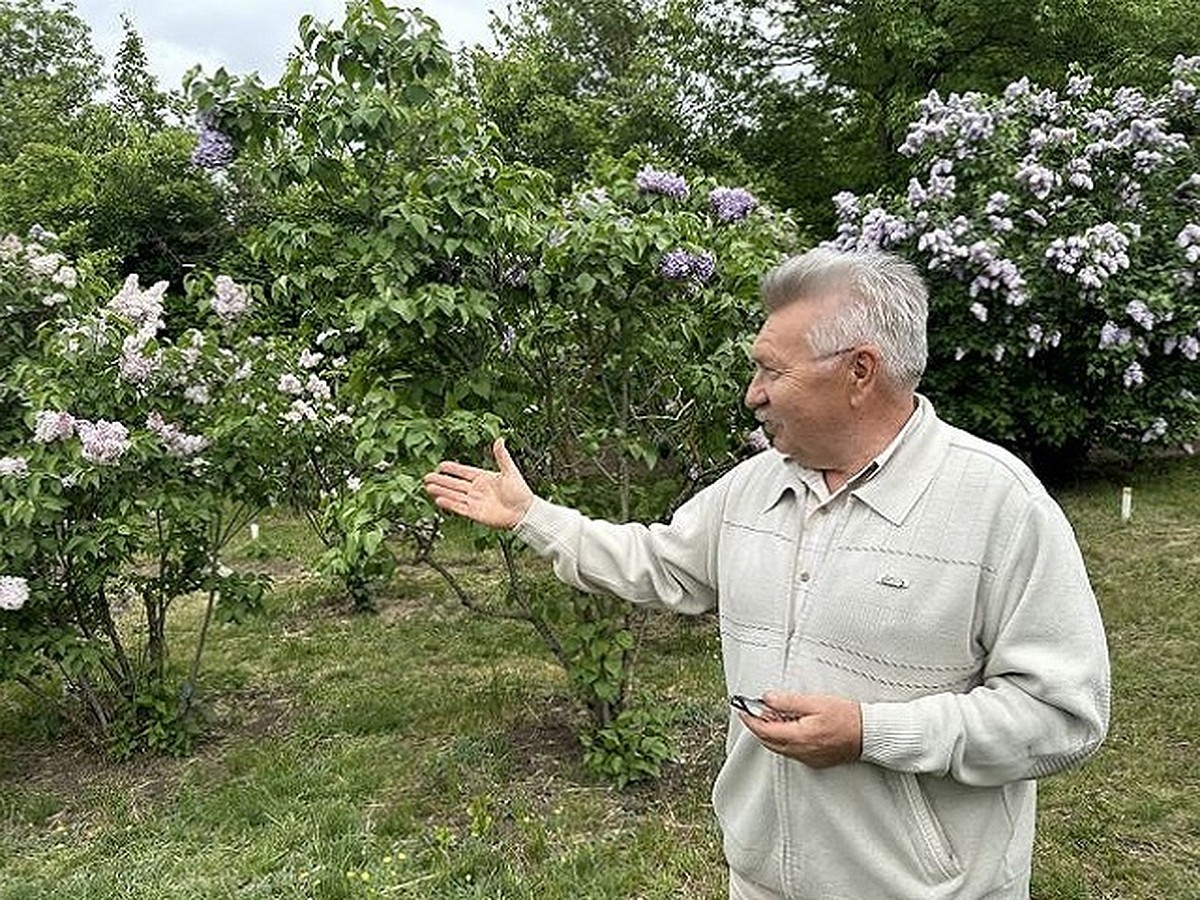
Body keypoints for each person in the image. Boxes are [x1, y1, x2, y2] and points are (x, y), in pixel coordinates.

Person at [423, 247, 1111, 900]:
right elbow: (658, 564)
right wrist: (532, 517)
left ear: (860, 372)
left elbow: (1061, 715)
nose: (753, 395)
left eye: (770, 371)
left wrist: (872, 734)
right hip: (760, 878)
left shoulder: (997, 504)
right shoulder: (756, 486)